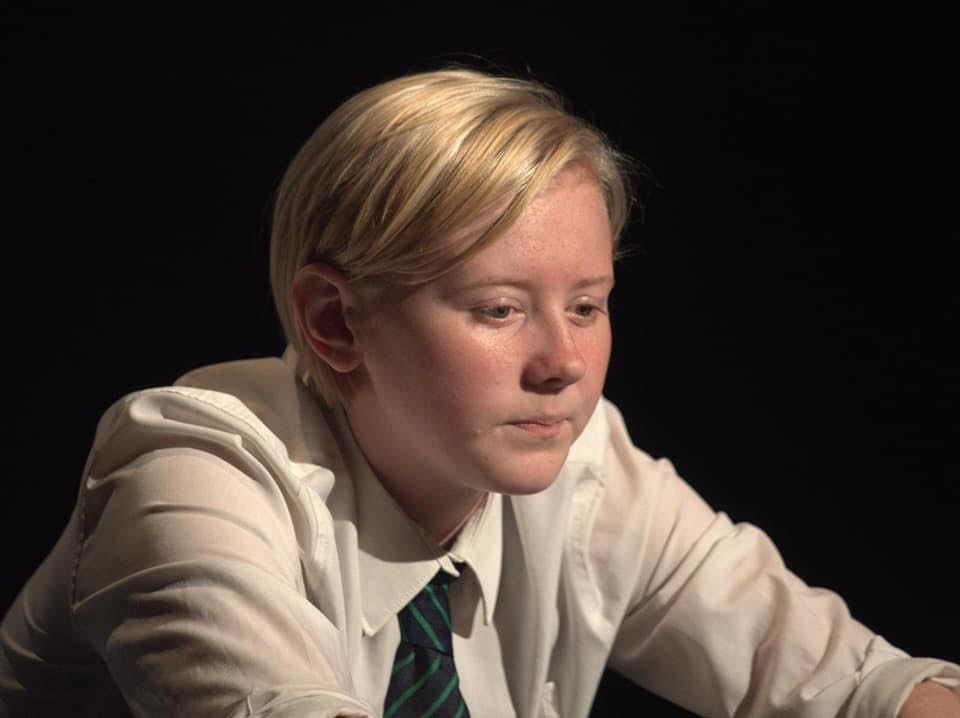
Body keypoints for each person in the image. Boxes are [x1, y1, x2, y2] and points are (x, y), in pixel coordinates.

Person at [1, 67, 957, 718]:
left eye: (587, 306)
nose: (564, 362)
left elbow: (856, 688)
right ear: (335, 321)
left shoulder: (585, 462)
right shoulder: (190, 473)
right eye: (500, 309)